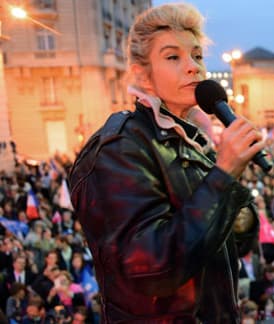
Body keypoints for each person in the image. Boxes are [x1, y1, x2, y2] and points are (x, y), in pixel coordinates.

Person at [68, 3, 263, 323]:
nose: (194, 68)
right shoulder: (119, 150)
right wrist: (224, 174)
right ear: (141, 75)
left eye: (197, 56)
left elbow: (222, 248)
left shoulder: (189, 141)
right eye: (173, 57)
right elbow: (154, 269)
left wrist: (238, 212)